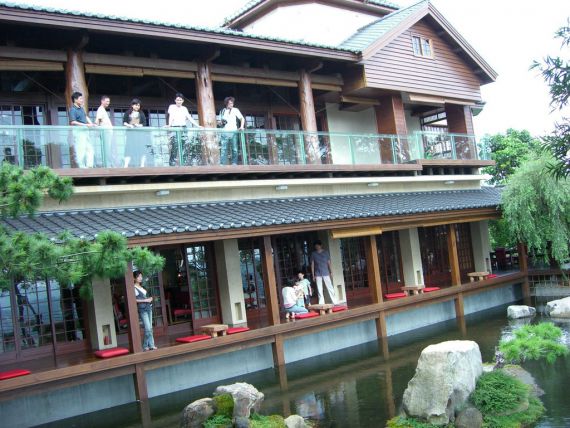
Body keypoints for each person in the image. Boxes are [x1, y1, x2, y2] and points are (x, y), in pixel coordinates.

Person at [166, 93, 201, 166]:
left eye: (180, 100)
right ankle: (172, 165)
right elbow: (171, 116)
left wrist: (197, 126)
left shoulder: (184, 108)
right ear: (175, 100)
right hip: (175, 128)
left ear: (183, 101)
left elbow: (189, 118)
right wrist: (169, 125)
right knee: (174, 147)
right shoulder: (172, 107)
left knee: (184, 147)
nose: (179, 101)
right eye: (177, 100)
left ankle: (183, 164)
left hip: (184, 128)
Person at [69, 91, 96, 168]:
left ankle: (89, 166)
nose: (82, 100)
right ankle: (81, 166)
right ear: (75, 99)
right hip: (79, 131)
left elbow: (86, 116)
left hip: (85, 130)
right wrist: (86, 125)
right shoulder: (73, 109)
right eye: (80, 98)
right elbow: (73, 122)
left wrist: (92, 124)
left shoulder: (81, 108)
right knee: (81, 148)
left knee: (90, 148)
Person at [133, 270, 157, 351]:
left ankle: (152, 345)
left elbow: (145, 297)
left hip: (148, 308)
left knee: (150, 328)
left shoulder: (142, 286)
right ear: (134, 278)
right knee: (148, 328)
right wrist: (145, 300)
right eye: (138, 276)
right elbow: (134, 300)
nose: (140, 278)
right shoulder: (134, 288)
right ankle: (145, 345)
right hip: (142, 309)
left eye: (141, 276)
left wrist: (149, 298)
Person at [311, 240, 338, 305]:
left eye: (318, 246)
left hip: (326, 272)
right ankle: (321, 303)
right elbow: (312, 264)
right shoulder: (313, 254)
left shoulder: (326, 252)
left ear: (321, 245)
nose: (317, 247)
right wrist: (313, 275)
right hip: (317, 274)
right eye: (316, 246)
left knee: (330, 287)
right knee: (319, 289)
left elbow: (329, 263)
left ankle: (335, 301)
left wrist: (331, 272)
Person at [219, 96, 245, 165]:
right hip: (224, 132)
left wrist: (241, 126)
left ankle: (234, 163)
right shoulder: (222, 111)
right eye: (230, 103)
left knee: (235, 149)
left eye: (232, 103)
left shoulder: (235, 110)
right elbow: (220, 123)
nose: (231, 104)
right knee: (224, 149)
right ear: (226, 103)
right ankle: (222, 164)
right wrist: (220, 122)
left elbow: (242, 118)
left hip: (233, 131)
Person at [123, 98, 148, 167]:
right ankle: (126, 165)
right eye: (136, 105)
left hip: (139, 135)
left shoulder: (141, 113)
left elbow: (144, 123)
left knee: (141, 149)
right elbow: (124, 122)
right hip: (130, 134)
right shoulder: (128, 112)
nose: (137, 106)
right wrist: (129, 125)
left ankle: (142, 165)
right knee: (128, 149)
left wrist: (139, 125)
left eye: (138, 105)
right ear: (132, 105)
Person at [95, 95, 116, 167]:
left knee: (108, 148)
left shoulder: (103, 109)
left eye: (109, 101)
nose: (108, 103)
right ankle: (108, 165)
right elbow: (98, 120)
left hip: (108, 132)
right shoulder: (100, 109)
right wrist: (96, 130)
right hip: (105, 132)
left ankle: (109, 164)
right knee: (107, 149)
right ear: (102, 101)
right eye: (107, 101)